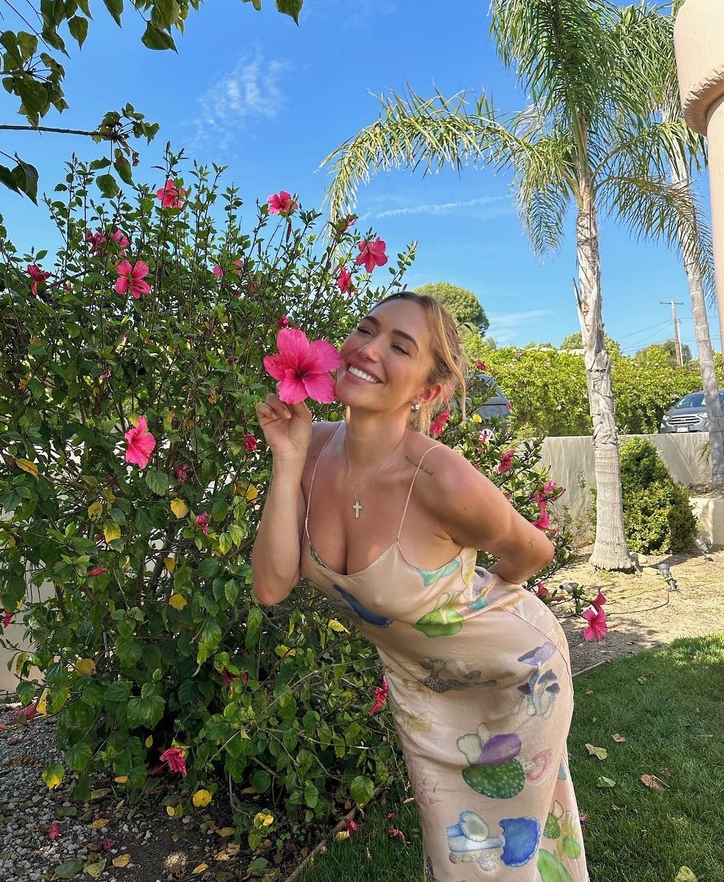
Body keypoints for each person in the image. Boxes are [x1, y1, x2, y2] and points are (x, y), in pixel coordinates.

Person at [252, 291, 589, 882]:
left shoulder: (442, 479)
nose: (368, 349)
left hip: (517, 677)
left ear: (427, 393)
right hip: (424, 684)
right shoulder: (310, 449)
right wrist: (286, 460)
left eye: (400, 346)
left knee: (496, 863)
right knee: (453, 854)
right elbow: (271, 586)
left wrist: (462, 604)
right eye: (366, 330)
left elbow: (534, 551)